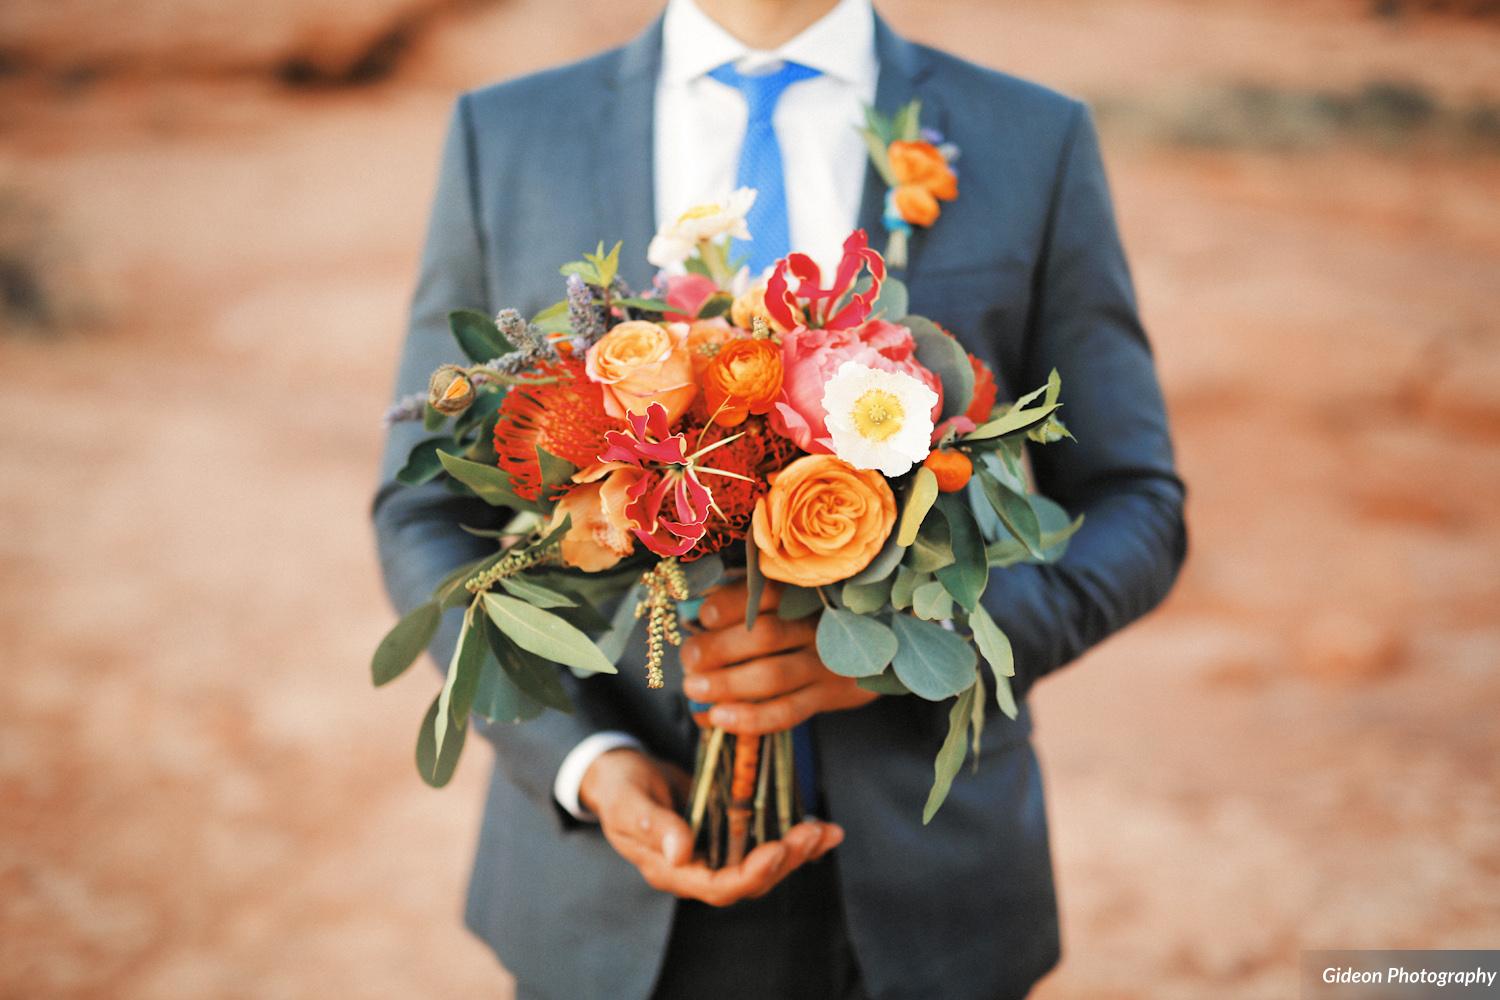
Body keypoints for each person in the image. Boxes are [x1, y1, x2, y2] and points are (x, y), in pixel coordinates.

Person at [372, 0, 1187, 996]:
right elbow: (423, 512)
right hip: (607, 895)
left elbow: (1136, 500)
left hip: (931, 892)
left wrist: (912, 656)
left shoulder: (1031, 136)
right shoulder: (508, 135)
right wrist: (588, 761)